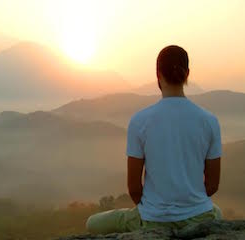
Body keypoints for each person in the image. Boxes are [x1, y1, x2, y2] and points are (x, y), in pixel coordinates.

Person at [86, 45, 222, 234]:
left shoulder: (140, 121)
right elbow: (213, 185)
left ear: (158, 74)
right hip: (198, 217)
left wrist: (155, 210)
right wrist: (188, 207)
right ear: (187, 74)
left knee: (92, 223)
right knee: (217, 212)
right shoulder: (209, 121)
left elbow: (134, 188)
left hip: (153, 220)